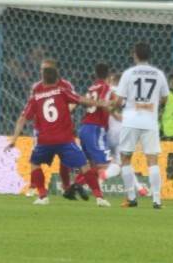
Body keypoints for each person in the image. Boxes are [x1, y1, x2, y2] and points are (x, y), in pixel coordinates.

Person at [6, 64, 111, 207]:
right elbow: (81, 100)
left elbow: (22, 118)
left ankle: (43, 196)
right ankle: (99, 198)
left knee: (35, 164)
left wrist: (14, 139)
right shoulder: (62, 91)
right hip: (65, 140)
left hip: (45, 140)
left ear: (43, 79)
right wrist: (99, 103)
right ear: (57, 79)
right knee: (84, 166)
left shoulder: (35, 97)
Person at [112, 41, 169, 209]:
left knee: (125, 158)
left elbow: (119, 100)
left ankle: (131, 198)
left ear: (135, 55)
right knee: (152, 160)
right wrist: (152, 104)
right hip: (150, 121)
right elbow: (165, 97)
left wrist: (113, 106)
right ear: (149, 55)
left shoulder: (128, 74)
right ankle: (157, 200)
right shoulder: (158, 74)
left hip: (130, 120)